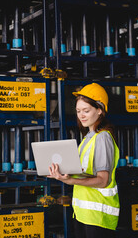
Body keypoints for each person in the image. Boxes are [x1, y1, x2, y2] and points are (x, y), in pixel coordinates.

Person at [48, 83, 120, 238]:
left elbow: (103, 181)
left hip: (98, 217)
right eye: (78, 111)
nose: (81, 115)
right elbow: (87, 173)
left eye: (86, 111)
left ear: (100, 110)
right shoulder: (88, 138)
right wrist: (64, 174)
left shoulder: (103, 138)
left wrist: (71, 181)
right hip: (83, 214)